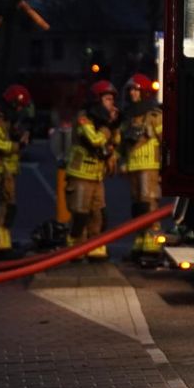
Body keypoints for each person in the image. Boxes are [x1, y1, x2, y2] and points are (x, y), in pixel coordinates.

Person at [65, 80, 120, 261]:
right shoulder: (84, 118)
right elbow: (95, 140)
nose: (111, 103)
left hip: (97, 176)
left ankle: (95, 247)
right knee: (80, 215)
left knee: (99, 214)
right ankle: (75, 247)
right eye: (107, 99)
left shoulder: (106, 122)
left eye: (112, 99)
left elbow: (115, 142)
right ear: (97, 101)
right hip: (80, 173)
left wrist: (114, 126)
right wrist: (107, 128)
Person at [0, 83, 33, 259]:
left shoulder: (7, 120)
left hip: (7, 172)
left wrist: (21, 137)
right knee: (2, 208)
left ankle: (4, 243)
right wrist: (16, 145)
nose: (20, 110)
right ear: (12, 104)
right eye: (19, 106)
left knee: (8, 208)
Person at [119, 73, 163, 260]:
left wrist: (164, 168)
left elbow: (165, 141)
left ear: (144, 92)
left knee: (148, 203)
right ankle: (139, 239)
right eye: (130, 90)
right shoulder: (128, 116)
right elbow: (123, 143)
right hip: (133, 166)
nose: (132, 94)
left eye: (136, 90)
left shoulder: (154, 115)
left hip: (149, 165)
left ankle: (151, 242)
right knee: (137, 205)